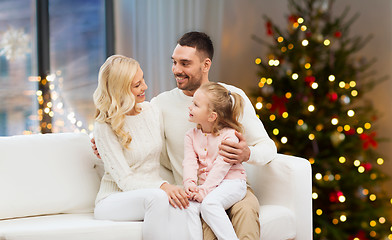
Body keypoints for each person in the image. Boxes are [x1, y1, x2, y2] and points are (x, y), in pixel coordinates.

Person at [92, 31, 277, 239]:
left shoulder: (231, 97)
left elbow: (268, 148)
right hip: (194, 194)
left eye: (185, 63)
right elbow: (137, 136)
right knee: (206, 224)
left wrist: (247, 153)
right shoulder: (159, 105)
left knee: (245, 212)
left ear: (205, 65)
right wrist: (105, 145)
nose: (176, 70)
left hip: (230, 186)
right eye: (174, 62)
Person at [92, 55, 188, 240]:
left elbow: (160, 158)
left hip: (152, 193)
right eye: (137, 85)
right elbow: (125, 181)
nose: (145, 87)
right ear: (120, 90)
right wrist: (163, 187)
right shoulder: (104, 125)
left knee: (186, 203)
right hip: (113, 199)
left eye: (142, 79)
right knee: (158, 198)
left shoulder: (151, 111)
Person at [183, 82, 248, 240]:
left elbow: (221, 167)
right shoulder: (190, 135)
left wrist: (204, 191)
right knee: (188, 207)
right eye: (192, 103)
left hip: (232, 183)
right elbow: (189, 163)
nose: (190, 107)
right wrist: (190, 185)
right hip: (208, 186)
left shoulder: (229, 135)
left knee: (209, 204)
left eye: (196, 105)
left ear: (212, 116)